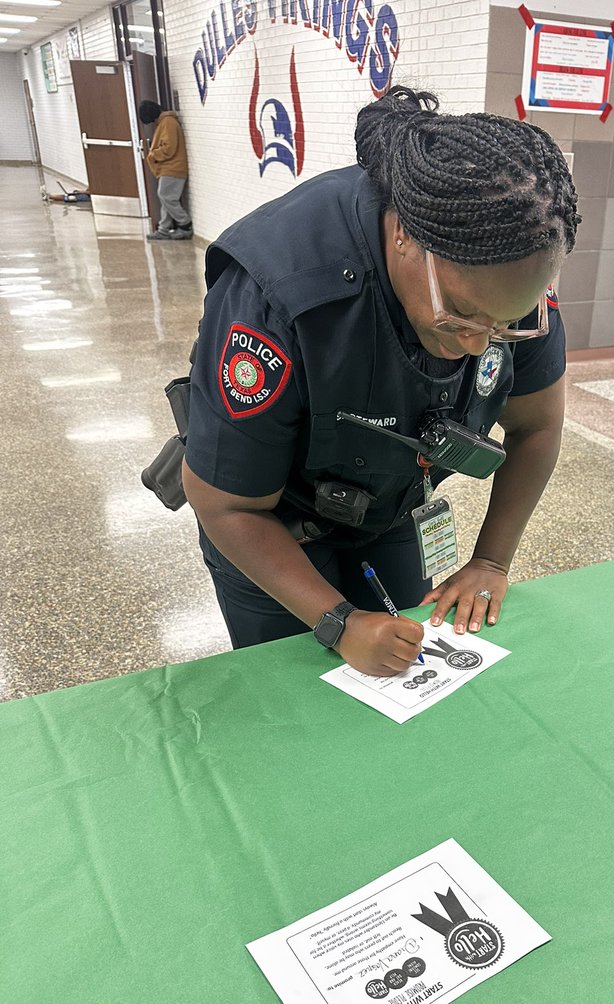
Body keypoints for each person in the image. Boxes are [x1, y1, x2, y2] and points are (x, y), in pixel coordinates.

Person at [182, 86, 579, 677]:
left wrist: (491, 560)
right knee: (294, 698)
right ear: (405, 239)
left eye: (505, 326)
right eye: (463, 315)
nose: (478, 342)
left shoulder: (513, 264)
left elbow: (538, 426)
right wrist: (337, 621)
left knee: (401, 652)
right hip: (269, 526)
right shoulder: (278, 297)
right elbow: (228, 506)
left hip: (388, 505)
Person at [138, 100, 193, 241]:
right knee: (165, 198)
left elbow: (169, 147)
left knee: (165, 196)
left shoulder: (168, 122)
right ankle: (163, 229)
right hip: (169, 168)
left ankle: (185, 223)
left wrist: (153, 154)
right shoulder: (165, 122)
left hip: (173, 167)